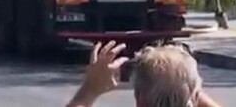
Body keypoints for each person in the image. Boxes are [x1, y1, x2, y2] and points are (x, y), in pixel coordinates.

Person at [67, 41, 223, 107]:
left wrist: (88, 90)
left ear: (138, 99)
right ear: (194, 98)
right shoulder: (194, 97)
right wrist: (186, 87)